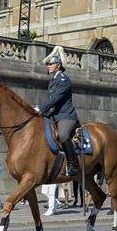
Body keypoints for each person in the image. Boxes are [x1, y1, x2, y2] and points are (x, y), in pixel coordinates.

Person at [35, 46, 79, 178]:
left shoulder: (64, 80)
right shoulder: (53, 80)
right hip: (53, 115)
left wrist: (40, 109)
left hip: (65, 115)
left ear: (58, 65)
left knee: (63, 134)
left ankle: (72, 164)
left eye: (51, 64)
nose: (48, 66)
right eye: (48, 64)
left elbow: (55, 99)